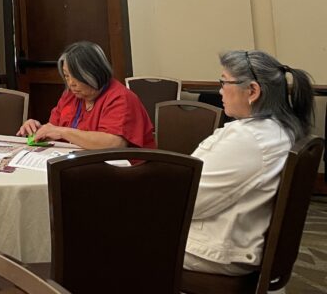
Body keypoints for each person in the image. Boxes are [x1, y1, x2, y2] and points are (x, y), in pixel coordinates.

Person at [184, 50, 314, 275]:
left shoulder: (249, 139)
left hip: (216, 250)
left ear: (253, 91)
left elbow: (188, 201)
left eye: (224, 82)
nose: (220, 90)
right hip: (236, 240)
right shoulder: (279, 129)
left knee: (123, 235)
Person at [17, 41, 155, 149]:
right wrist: (38, 129)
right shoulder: (70, 95)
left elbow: (114, 143)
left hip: (123, 169)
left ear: (94, 73)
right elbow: (54, 127)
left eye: (76, 76)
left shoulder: (120, 97)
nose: (71, 83)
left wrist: (62, 132)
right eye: (66, 76)